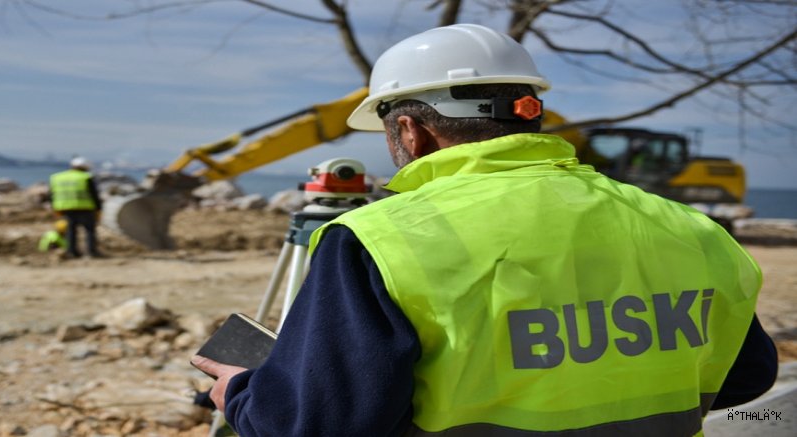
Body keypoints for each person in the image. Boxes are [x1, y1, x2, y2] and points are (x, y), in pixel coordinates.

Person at [191, 24, 778, 436]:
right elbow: (747, 377)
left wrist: (241, 394)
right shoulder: (689, 228)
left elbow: (321, 424)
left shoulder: (378, 240)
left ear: (411, 133)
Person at [49, 156, 103, 258]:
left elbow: (52, 194)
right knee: (89, 230)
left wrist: (54, 208)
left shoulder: (58, 177)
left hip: (66, 208)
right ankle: (91, 252)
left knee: (71, 230)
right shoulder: (85, 177)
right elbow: (94, 194)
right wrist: (99, 208)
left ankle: (72, 252)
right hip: (85, 208)